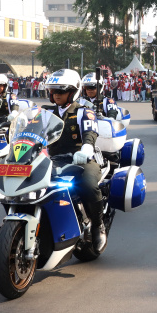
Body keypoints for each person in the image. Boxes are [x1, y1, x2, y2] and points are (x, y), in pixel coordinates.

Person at [42, 69, 106, 252]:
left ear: (73, 92)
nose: (56, 95)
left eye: (61, 91)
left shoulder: (83, 112)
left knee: (87, 184)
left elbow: (90, 132)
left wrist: (86, 149)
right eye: (53, 91)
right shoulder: (46, 113)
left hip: (81, 160)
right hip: (54, 160)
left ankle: (97, 225)